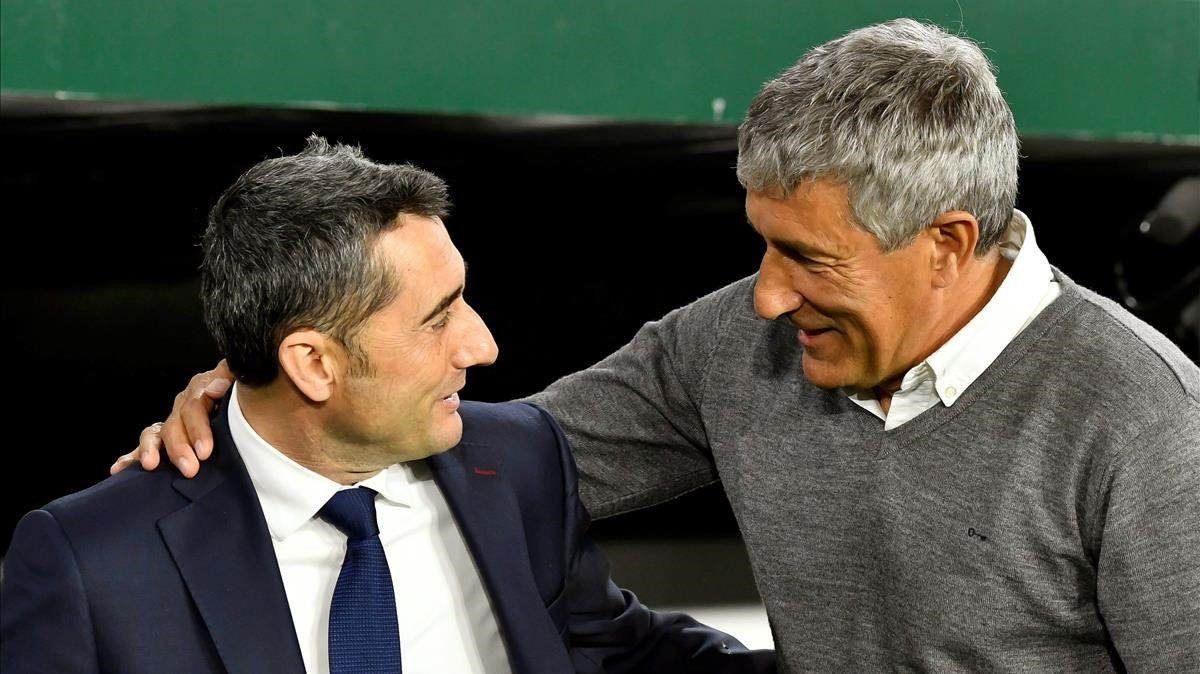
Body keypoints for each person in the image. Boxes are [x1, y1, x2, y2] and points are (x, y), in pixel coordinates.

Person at [116, 19, 1200, 672]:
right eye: (760, 245)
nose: (765, 298)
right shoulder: (738, 344)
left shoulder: (1142, 419)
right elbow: (484, 462)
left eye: (809, 258)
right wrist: (272, 401)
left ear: (947, 243)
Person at [1, 136, 775, 674]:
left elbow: (623, 656)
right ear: (311, 363)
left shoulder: (520, 461)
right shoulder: (92, 563)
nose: (482, 345)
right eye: (438, 317)